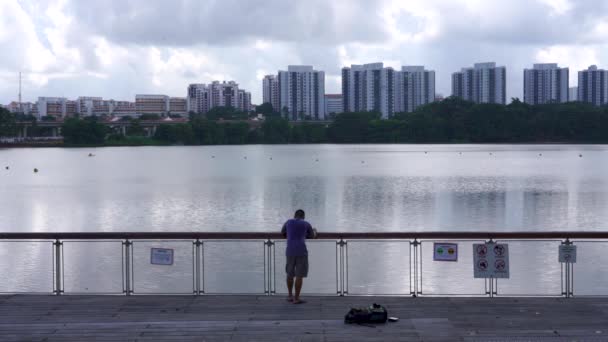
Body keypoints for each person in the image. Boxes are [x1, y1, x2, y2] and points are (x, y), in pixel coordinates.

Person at [281, 209, 317, 304]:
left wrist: (289, 235)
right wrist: (314, 231)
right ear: (303, 216)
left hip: (290, 250)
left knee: (290, 274)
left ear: (294, 215)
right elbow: (312, 236)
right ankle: (296, 298)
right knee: (299, 275)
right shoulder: (306, 224)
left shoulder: (288, 222)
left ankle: (289, 296)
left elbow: (282, 232)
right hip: (301, 251)